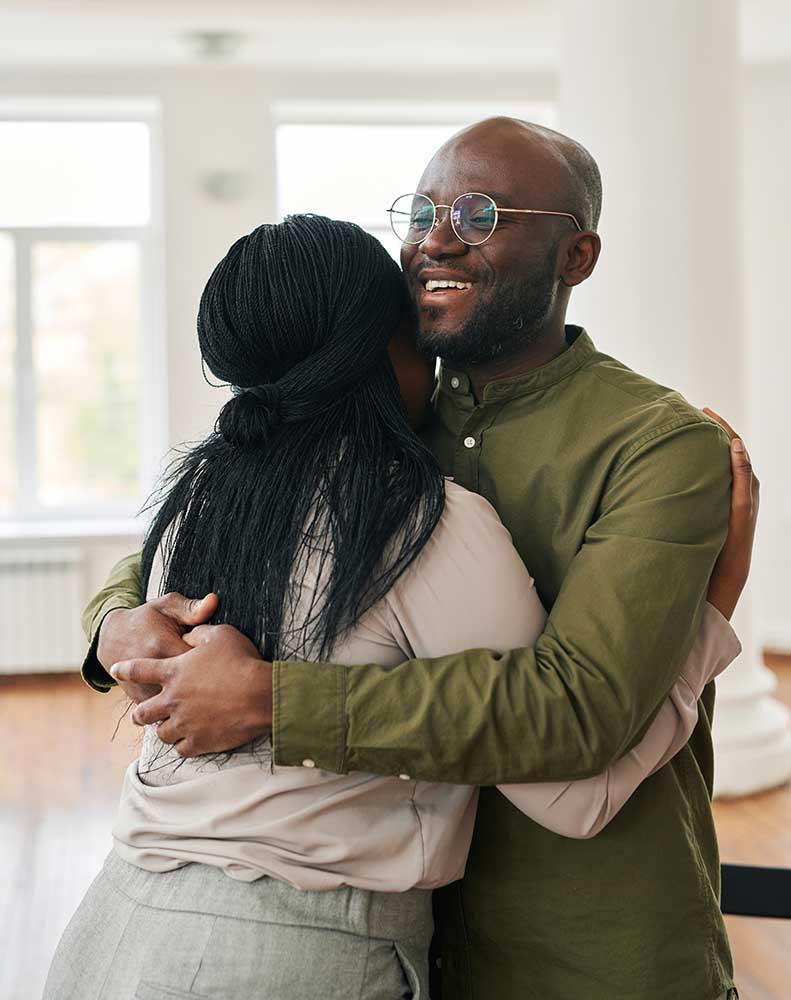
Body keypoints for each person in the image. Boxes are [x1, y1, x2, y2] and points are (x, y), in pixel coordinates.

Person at [79, 119, 759, 1000]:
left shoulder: (655, 446)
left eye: (480, 213)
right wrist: (113, 624)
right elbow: (194, 532)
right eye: (422, 211)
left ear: (576, 256)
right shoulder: (365, 420)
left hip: (587, 936)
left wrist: (270, 700)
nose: (436, 237)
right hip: (395, 935)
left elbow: (577, 711)